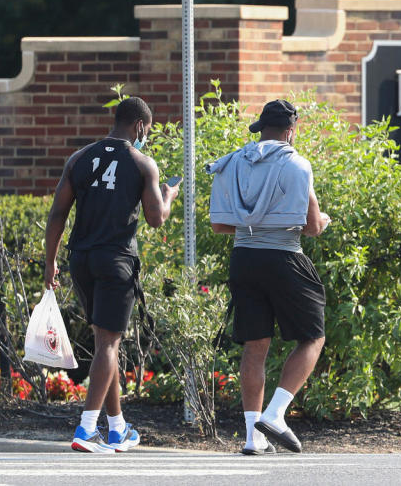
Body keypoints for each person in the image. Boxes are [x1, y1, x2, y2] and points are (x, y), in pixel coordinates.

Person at [44, 96, 180, 453]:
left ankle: (118, 428)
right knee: (108, 343)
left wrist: (49, 261)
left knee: (106, 341)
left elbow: (57, 213)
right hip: (116, 260)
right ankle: (87, 428)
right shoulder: (142, 162)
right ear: (139, 126)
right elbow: (156, 218)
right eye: (146, 131)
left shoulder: (80, 158)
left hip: (82, 260)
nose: (145, 136)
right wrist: (169, 195)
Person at [207, 99, 330, 455]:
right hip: (284, 256)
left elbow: (218, 224)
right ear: (291, 131)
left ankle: (252, 436)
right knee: (312, 337)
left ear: (262, 128)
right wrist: (322, 223)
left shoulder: (233, 161)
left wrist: (254, 228)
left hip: (243, 258)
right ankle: (275, 414)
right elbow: (311, 226)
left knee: (255, 345)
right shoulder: (297, 165)